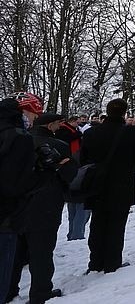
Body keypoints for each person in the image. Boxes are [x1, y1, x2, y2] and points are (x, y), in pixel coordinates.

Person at [9, 112, 77, 304]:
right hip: (46, 204)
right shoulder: (60, 146)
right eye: (57, 124)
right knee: (42, 252)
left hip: (18, 204)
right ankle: (40, 292)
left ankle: (9, 289)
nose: (59, 127)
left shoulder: (17, 142)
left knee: (16, 251)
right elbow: (69, 175)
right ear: (49, 126)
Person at [80, 99, 135, 274]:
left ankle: (95, 261)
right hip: (121, 183)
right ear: (124, 113)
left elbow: (83, 158)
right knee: (116, 224)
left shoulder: (91, 133)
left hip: (97, 183)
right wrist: (125, 169)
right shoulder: (131, 133)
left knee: (98, 221)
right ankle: (112, 261)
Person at [1, 92, 44, 303]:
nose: (34, 119)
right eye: (34, 114)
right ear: (24, 111)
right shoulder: (19, 137)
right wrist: (41, 173)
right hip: (7, 216)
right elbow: (18, 183)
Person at [55, 115, 91, 241]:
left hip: (72, 175)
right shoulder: (66, 132)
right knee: (81, 208)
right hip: (77, 174)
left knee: (73, 207)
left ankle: (73, 233)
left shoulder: (71, 133)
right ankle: (77, 234)